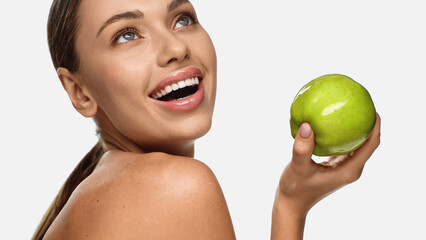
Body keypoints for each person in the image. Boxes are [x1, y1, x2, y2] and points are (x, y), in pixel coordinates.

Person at [34, 0, 381, 239]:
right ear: (79, 91)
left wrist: (291, 202)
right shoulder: (174, 186)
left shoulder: (104, 187)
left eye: (181, 19)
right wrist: (291, 208)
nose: (175, 48)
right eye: (127, 34)